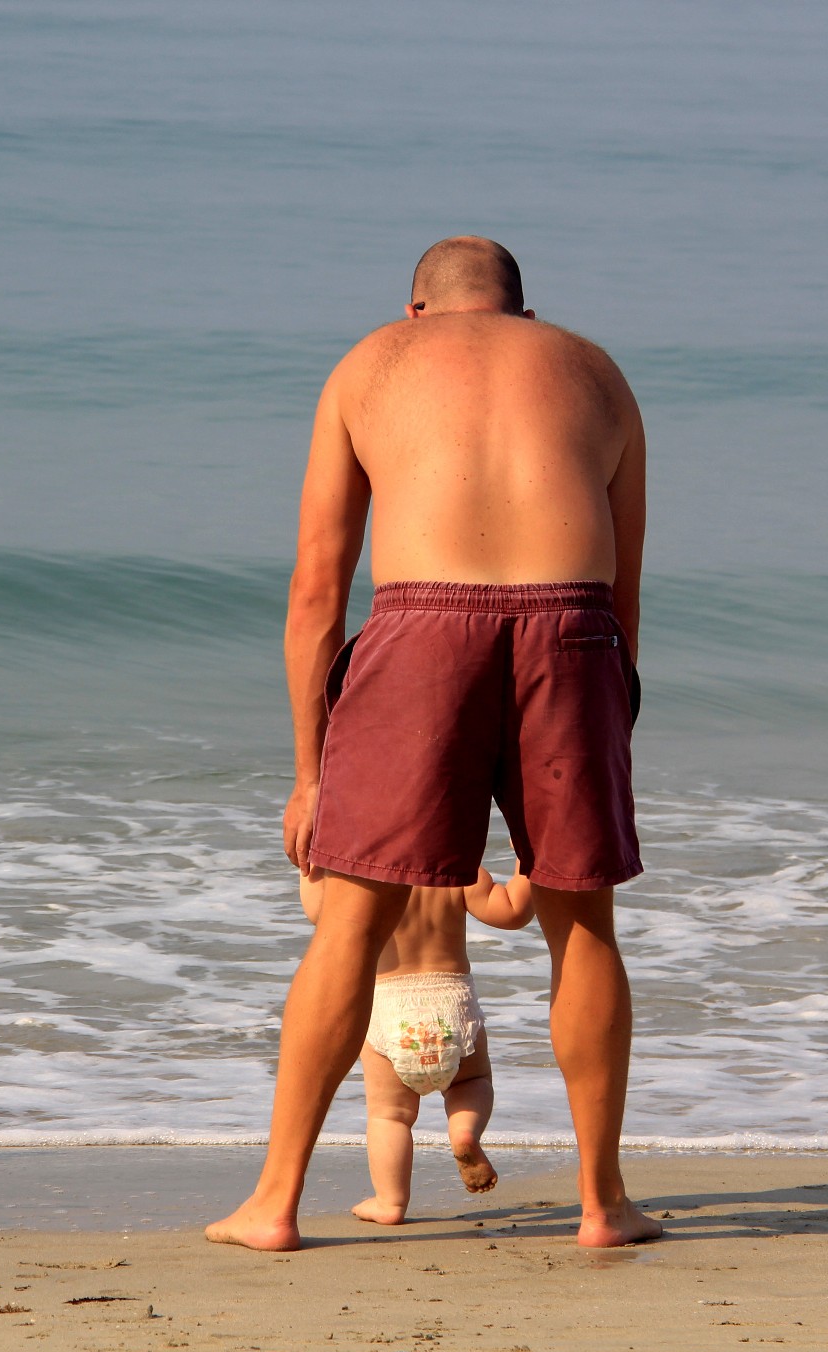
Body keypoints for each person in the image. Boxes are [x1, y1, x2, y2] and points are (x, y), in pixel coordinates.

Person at [207, 236, 661, 1251]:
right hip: (574, 626)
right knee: (582, 929)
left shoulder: (369, 364)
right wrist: (606, 715)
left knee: (351, 930)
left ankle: (273, 1205)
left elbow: (316, 592)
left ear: (415, 313)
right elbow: (626, 587)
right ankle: (602, 1206)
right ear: (523, 316)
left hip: (420, 632)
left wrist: (308, 773)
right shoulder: (594, 371)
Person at [296, 866, 535, 1223]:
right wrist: (526, 860)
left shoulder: (368, 877)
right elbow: (513, 911)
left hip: (390, 1008)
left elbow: (320, 912)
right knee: (472, 1083)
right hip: (452, 1002)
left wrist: (312, 863)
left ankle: (390, 1202)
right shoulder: (459, 872)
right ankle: (464, 1132)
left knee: (390, 1116)